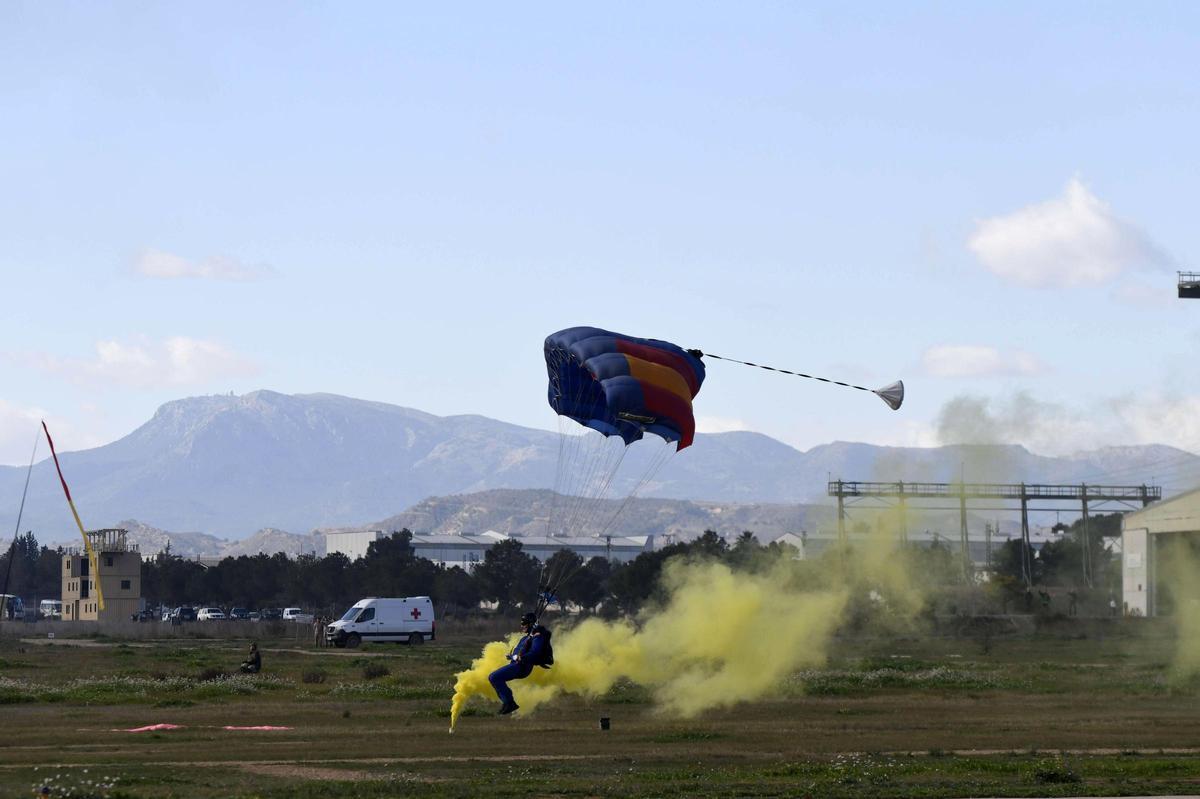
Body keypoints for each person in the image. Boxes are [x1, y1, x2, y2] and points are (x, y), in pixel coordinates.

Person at [488, 612, 553, 715]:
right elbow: (520, 651)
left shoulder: (538, 636)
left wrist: (521, 657)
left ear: (531, 624)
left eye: (524, 623)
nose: (521, 626)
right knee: (494, 678)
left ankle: (510, 703)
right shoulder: (526, 638)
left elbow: (535, 652)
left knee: (494, 677)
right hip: (516, 664)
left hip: (522, 667)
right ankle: (507, 703)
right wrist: (513, 656)